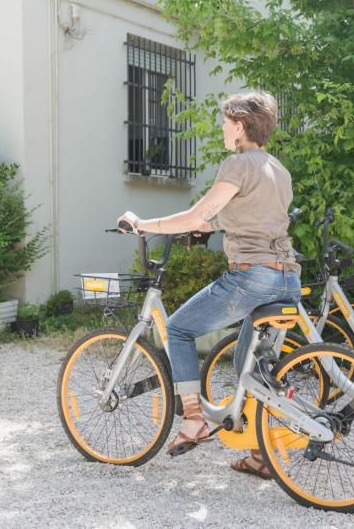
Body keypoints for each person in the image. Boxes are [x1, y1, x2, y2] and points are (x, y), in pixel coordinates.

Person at [117, 90, 301, 477]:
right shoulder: (277, 169)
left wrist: (143, 224)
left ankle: (194, 420)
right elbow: (227, 216)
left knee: (180, 329)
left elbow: (199, 213)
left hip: (251, 277)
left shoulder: (237, 164)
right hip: (286, 278)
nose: (221, 129)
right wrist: (205, 227)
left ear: (239, 126)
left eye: (224, 123)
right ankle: (261, 452)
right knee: (246, 362)